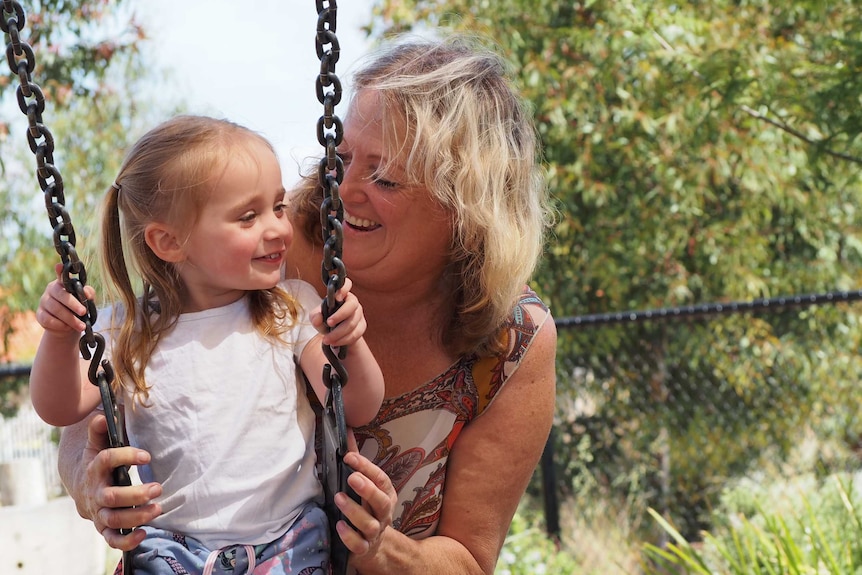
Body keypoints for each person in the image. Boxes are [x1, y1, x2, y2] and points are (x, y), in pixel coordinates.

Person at [56, 34, 558, 574]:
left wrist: (377, 545)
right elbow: (108, 398)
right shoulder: (265, 249)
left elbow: (468, 561)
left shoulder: (512, 339)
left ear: (468, 205)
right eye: (340, 158)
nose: (343, 190)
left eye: (384, 176)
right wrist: (92, 482)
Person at [31, 115, 384, 574]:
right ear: (169, 241)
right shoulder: (126, 330)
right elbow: (58, 407)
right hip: (173, 550)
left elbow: (357, 405)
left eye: (278, 207)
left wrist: (349, 343)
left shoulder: (291, 310)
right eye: (248, 216)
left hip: (289, 544)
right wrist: (59, 337)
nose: (277, 229)